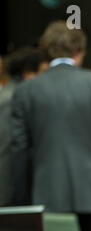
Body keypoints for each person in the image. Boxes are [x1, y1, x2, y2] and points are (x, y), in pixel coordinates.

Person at [11, 21, 91, 231]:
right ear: (79, 51)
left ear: (46, 52)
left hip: (46, 199)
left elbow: (19, 150)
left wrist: (22, 204)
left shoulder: (25, 91)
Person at [0, 47, 47, 206]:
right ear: (28, 73)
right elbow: (8, 149)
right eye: (42, 72)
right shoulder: (11, 99)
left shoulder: (13, 94)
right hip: (10, 191)